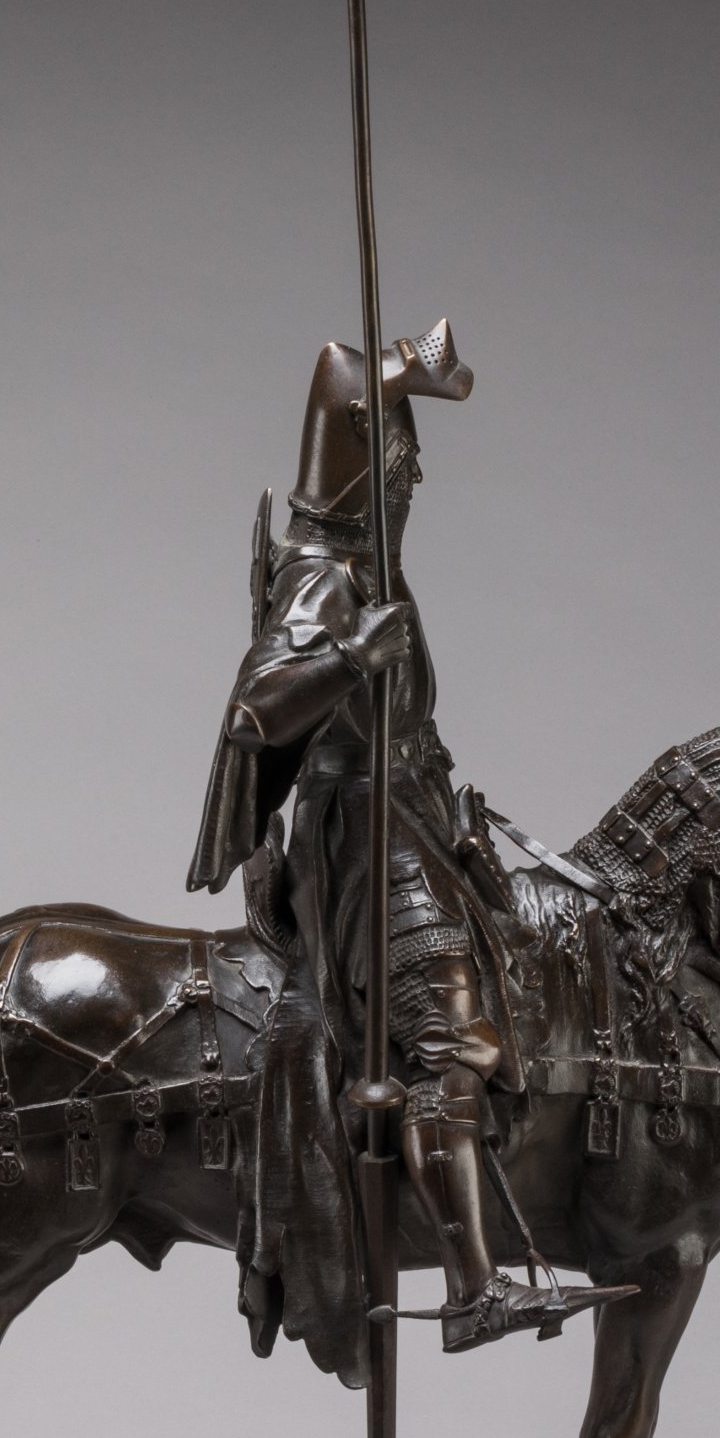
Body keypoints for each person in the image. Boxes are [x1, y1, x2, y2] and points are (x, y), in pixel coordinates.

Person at [189, 322, 615, 1353]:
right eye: (401, 462)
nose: (414, 480)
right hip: (360, 840)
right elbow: (253, 710)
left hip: (411, 814)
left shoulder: (369, 564)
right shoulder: (323, 575)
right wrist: (347, 657)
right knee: (444, 1041)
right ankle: (473, 1291)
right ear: (364, 464)